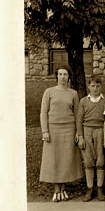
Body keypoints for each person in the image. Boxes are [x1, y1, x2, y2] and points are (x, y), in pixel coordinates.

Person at [40, 66, 83, 202]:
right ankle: (56, 189)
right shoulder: (49, 92)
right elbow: (43, 112)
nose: (63, 77)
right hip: (53, 129)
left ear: (68, 77)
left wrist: (78, 132)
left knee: (66, 159)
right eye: (60, 74)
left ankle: (63, 189)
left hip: (69, 129)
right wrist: (45, 131)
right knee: (54, 159)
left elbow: (77, 114)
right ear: (57, 76)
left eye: (65, 74)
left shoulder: (73, 93)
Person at [77, 75, 105, 202]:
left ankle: (99, 188)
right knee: (88, 161)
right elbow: (79, 120)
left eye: (97, 86)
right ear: (89, 86)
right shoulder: (83, 101)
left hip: (100, 130)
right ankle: (89, 189)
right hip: (86, 130)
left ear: (101, 87)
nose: (95, 89)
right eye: (93, 86)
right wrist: (81, 136)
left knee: (100, 160)